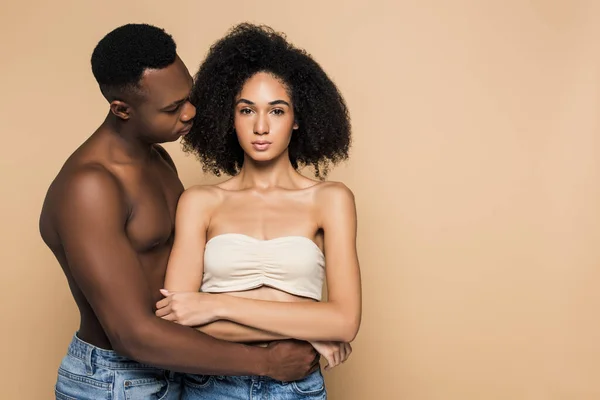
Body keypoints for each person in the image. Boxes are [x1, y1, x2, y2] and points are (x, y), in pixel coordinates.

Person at [39, 23, 318, 400]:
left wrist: (308, 329)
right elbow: (131, 334)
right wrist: (265, 363)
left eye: (189, 96)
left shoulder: (158, 159)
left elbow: (188, 295)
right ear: (122, 109)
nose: (189, 113)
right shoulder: (90, 187)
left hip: (181, 367)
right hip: (114, 381)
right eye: (172, 108)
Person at [155, 23, 362, 399]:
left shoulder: (331, 200)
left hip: (295, 387)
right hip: (211, 385)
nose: (261, 126)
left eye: (277, 111)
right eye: (247, 110)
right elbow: (179, 317)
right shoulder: (200, 202)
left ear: (297, 119)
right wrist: (307, 325)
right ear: (228, 117)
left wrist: (213, 304)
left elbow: (345, 322)